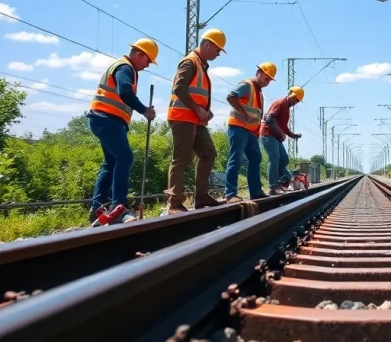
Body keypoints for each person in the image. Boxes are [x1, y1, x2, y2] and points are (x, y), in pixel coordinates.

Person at [86, 39, 158, 225]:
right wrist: (144, 110)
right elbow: (125, 92)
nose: (147, 65)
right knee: (125, 157)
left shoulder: (122, 66)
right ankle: (118, 207)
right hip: (107, 119)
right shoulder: (126, 68)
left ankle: (98, 208)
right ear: (139, 54)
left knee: (110, 162)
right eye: (147, 60)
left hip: (101, 119)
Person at [165, 28, 226, 214]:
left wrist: (205, 110)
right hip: (182, 118)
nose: (218, 54)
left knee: (208, 153)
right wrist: (198, 109)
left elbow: (195, 92)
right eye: (217, 49)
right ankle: (174, 203)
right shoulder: (190, 62)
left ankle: (201, 197)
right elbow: (179, 88)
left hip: (196, 119)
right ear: (207, 44)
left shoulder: (201, 64)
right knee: (181, 159)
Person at [225, 62, 276, 201]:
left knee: (256, 158)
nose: (267, 83)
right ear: (259, 73)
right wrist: (243, 114)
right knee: (236, 158)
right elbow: (231, 96)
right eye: (266, 78)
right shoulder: (247, 85)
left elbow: (256, 114)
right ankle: (230, 194)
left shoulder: (258, 92)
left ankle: (255, 191)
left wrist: (256, 130)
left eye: (270, 80)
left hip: (250, 131)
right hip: (238, 127)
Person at [260, 86, 304, 195]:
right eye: (294, 98)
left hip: (275, 137)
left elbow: (284, 127)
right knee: (274, 158)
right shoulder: (279, 103)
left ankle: (281, 182)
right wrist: (280, 132)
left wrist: (293, 135)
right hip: (268, 134)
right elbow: (269, 119)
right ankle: (273, 186)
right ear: (289, 93)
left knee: (284, 159)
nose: (295, 102)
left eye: (297, 101)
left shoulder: (287, 109)